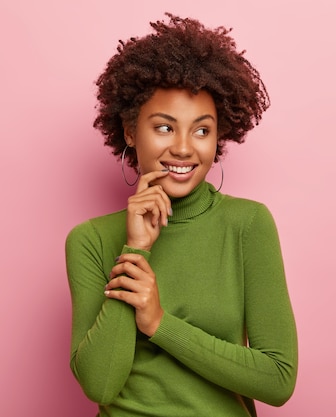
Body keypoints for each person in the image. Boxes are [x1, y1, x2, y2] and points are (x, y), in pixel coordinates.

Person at [65, 13, 297, 417]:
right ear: (130, 132)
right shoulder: (90, 240)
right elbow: (99, 383)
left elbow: (277, 380)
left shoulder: (248, 225)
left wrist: (158, 324)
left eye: (202, 130)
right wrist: (136, 249)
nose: (185, 149)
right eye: (165, 128)